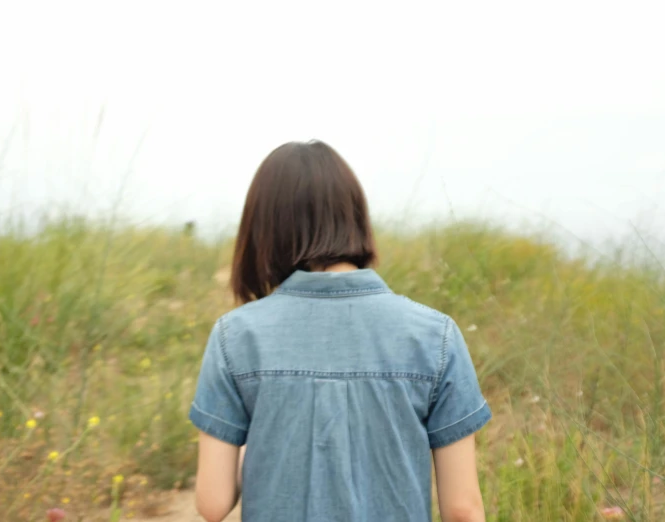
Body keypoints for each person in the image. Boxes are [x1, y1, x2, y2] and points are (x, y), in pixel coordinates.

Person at [189, 140, 491, 522]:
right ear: (354, 217)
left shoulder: (236, 336)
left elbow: (212, 504)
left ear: (264, 228)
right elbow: (463, 510)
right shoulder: (435, 336)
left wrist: (258, 435)